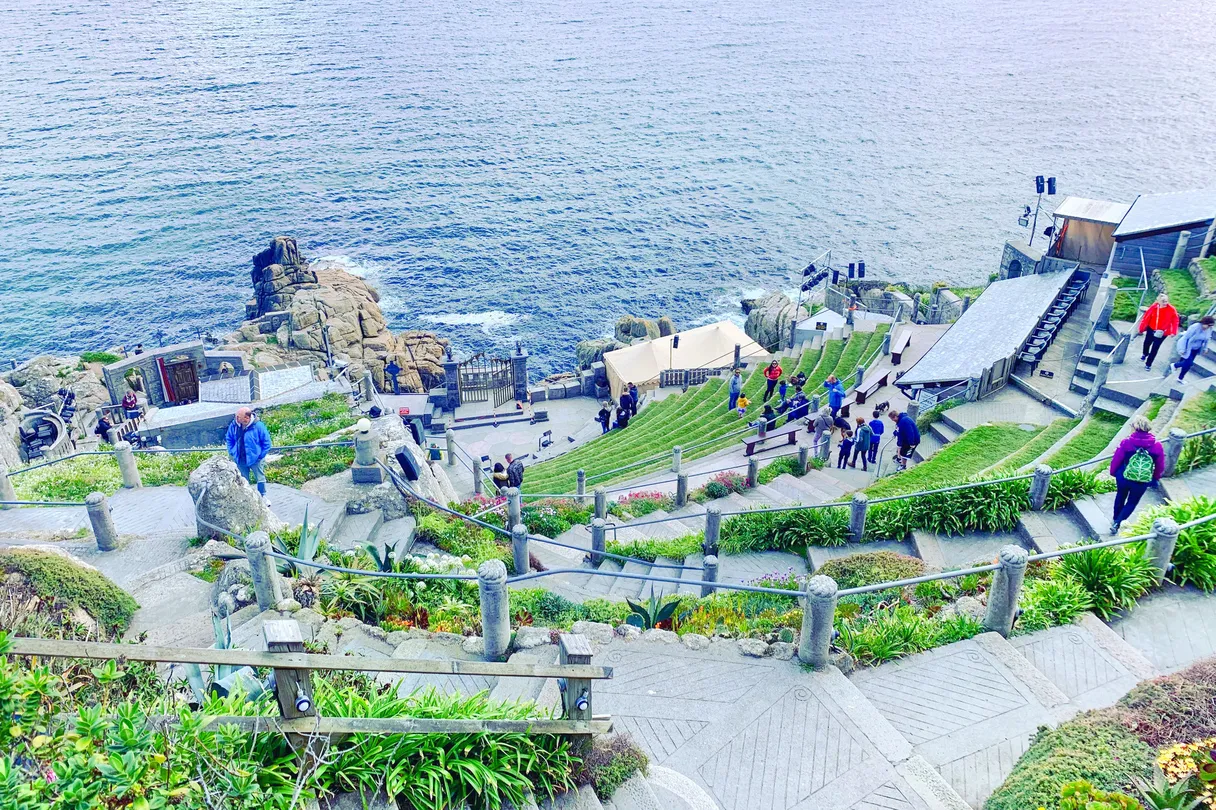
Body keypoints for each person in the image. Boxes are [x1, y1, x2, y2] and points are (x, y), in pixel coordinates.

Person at [1108, 416, 1164, 534]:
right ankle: (1118, 522)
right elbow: (1160, 465)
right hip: (1141, 480)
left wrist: (1114, 472)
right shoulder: (1157, 445)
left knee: (1120, 496)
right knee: (1132, 502)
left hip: (1124, 476)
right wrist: (1155, 478)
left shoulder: (1127, 443)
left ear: (1135, 428)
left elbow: (1116, 459)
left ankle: (1115, 518)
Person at [226, 406, 273, 504]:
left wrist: (260, 456)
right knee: (243, 480)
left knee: (260, 479)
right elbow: (229, 438)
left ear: (246, 418)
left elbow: (267, 443)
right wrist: (232, 451)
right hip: (240, 458)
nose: (236, 419)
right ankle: (247, 498)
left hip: (256, 459)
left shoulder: (258, 426)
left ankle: (262, 496)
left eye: (239, 417)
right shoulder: (234, 425)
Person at [1138, 294, 1180, 371]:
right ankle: (1145, 353)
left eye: (1166, 301)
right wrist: (1141, 328)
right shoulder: (1154, 307)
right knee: (1147, 343)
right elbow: (1146, 317)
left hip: (1162, 332)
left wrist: (1173, 331)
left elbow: (1175, 320)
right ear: (1158, 301)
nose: (1165, 303)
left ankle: (1148, 364)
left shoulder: (1171, 309)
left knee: (1155, 347)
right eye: (1163, 301)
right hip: (1151, 329)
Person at [1171, 316, 1214, 381]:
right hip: (1188, 347)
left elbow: (1207, 339)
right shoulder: (1195, 327)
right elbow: (1185, 338)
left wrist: (1205, 348)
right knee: (1189, 363)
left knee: (1187, 365)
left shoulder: (1209, 329)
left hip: (1196, 349)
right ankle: (1174, 365)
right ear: (1204, 323)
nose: (1208, 327)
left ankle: (1180, 378)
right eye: (1207, 325)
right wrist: (1182, 349)